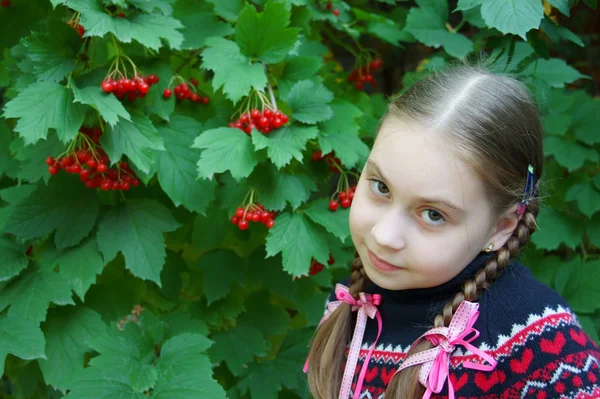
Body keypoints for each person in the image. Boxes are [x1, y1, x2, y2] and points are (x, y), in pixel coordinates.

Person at [303, 63, 600, 399]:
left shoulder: (540, 347)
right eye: (381, 187)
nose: (385, 235)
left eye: (432, 214)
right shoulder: (350, 307)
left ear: (501, 228)